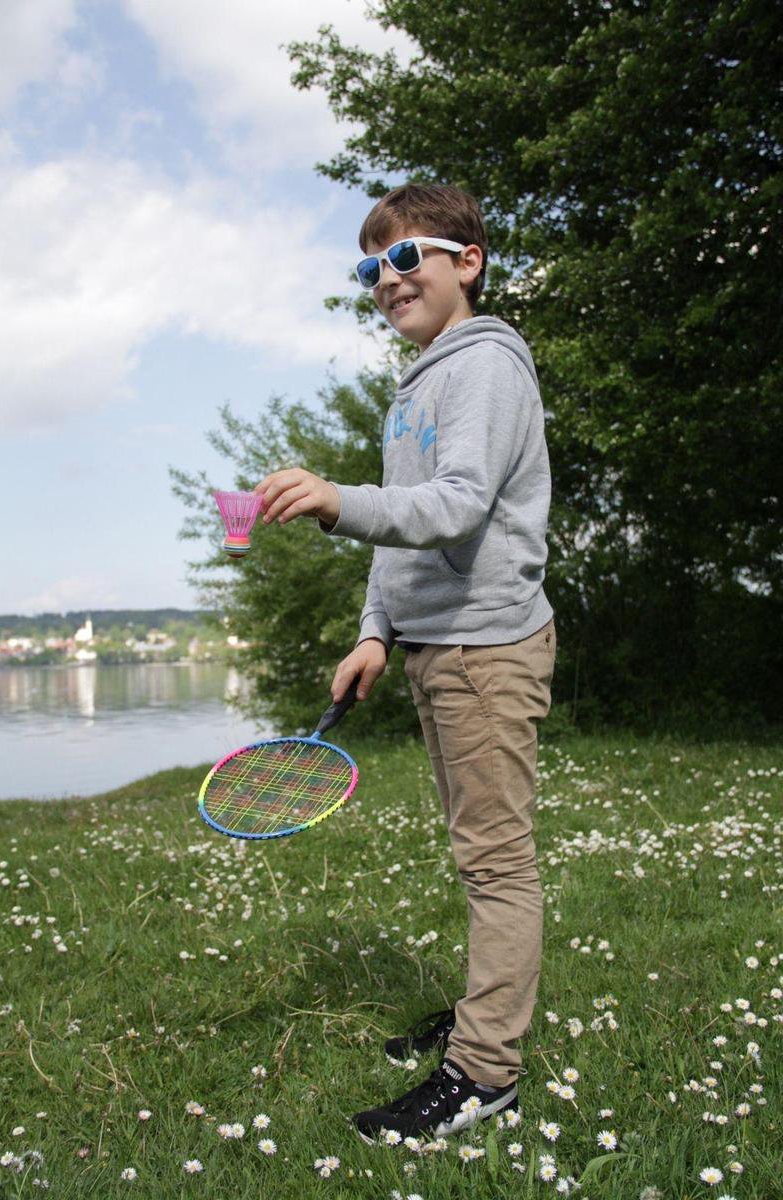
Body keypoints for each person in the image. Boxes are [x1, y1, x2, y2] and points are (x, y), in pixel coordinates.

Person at [253, 181, 556, 1142]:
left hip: (485, 648)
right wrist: (375, 630)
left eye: (403, 257)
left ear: (466, 261)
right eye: (367, 268)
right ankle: (481, 1015)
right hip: (434, 646)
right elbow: (403, 533)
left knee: (496, 863)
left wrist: (337, 498)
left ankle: (484, 1071)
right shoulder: (422, 380)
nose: (385, 280)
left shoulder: (487, 368)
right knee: (477, 855)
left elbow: (458, 504)